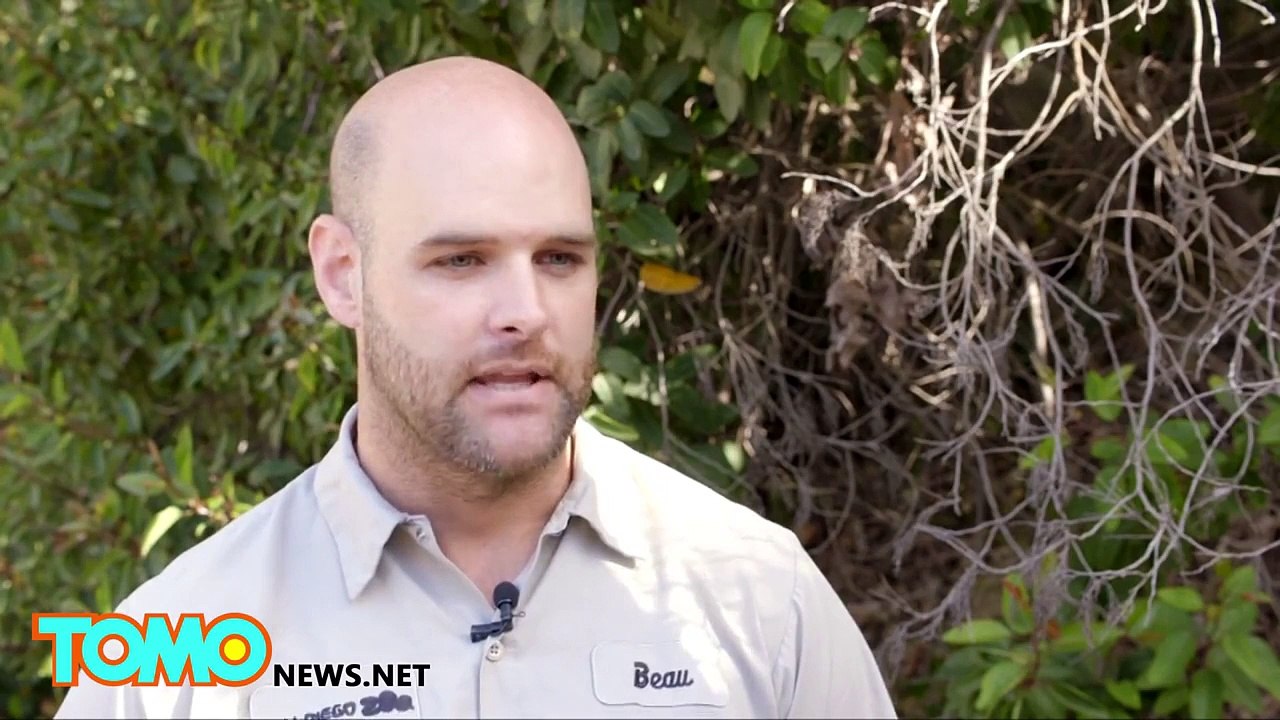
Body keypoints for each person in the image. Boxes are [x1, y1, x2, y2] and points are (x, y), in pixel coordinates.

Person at [54, 56, 897, 719]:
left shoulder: (756, 598)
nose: (526, 312)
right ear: (343, 274)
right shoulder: (177, 649)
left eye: (560, 260)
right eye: (462, 261)